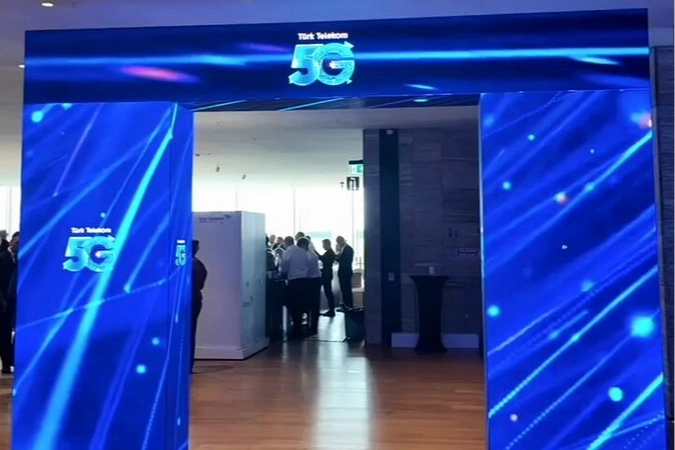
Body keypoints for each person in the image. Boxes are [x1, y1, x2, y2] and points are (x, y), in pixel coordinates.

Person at [280, 236, 308, 338]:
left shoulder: (288, 251)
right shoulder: (302, 251)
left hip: (294, 280)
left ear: (286, 243)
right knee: (300, 305)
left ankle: (295, 329)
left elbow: (284, 266)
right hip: (304, 280)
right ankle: (299, 328)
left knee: (291, 304)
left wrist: (283, 273)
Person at [0, 232, 18, 374]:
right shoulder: (2, 258)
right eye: (17, 242)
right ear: (11, 241)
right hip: (4, 301)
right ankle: (6, 363)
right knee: (4, 333)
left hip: (16, 301)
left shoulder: (22, 259)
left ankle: (13, 359)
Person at [191, 239, 208, 374]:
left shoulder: (189, 265)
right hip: (195, 299)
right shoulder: (198, 265)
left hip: (189, 300)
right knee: (190, 333)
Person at [303, 239, 321, 335]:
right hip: (315, 280)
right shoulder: (311, 254)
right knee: (314, 305)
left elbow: (306, 271)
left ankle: (312, 327)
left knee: (312, 305)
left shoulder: (308, 256)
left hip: (312, 281)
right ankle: (312, 327)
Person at [336, 236, 354, 310]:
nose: (338, 244)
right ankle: (346, 305)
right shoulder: (342, 249)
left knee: (347, 289)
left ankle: (349, 305)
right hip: (342, 272)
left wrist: (337, 258)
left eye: (338, 242)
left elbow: (346, 261)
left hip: (346, 272)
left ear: (342, 241)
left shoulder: (348, 249)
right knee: (344, 289)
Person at [319, 239, 337, 317]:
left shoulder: (330, 253)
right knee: (328, 292)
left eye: (323, 245)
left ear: (327, 244)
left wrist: (315, 252)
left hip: (327, 274)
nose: (323, 246)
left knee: (328, 292)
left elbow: (323, 259)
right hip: (327, 274)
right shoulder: (329, 252)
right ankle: (331, 310)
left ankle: (331, 310)